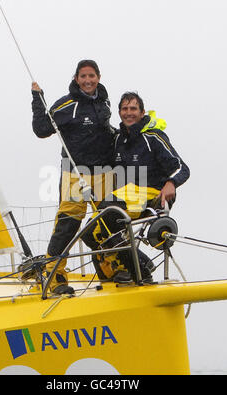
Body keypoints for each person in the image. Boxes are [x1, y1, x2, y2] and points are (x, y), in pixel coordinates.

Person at [82, 92, 190, 283]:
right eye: (124, 109)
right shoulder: (119, 140)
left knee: (109, 213)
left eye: (133, 109)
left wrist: (171, 184)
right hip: (126, 195)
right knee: (90, 233)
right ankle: (124, 271)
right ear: (119, 112)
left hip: (153, 194)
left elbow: (181, 167)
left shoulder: (153, 137)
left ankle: (140, 271)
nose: (128, 113)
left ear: (141, 113)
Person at [28, 60, 115, 295]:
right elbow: (41, 129)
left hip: (104, 172)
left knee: (110, 222)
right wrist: (38, 99)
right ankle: (54, 277)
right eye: (83, 76)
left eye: (92, 76)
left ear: (98, 77)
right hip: (75, 173)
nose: (88, 80)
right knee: (68, 225)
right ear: (76, 78)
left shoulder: (104, 102)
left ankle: (112, 269)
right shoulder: (66, 104)